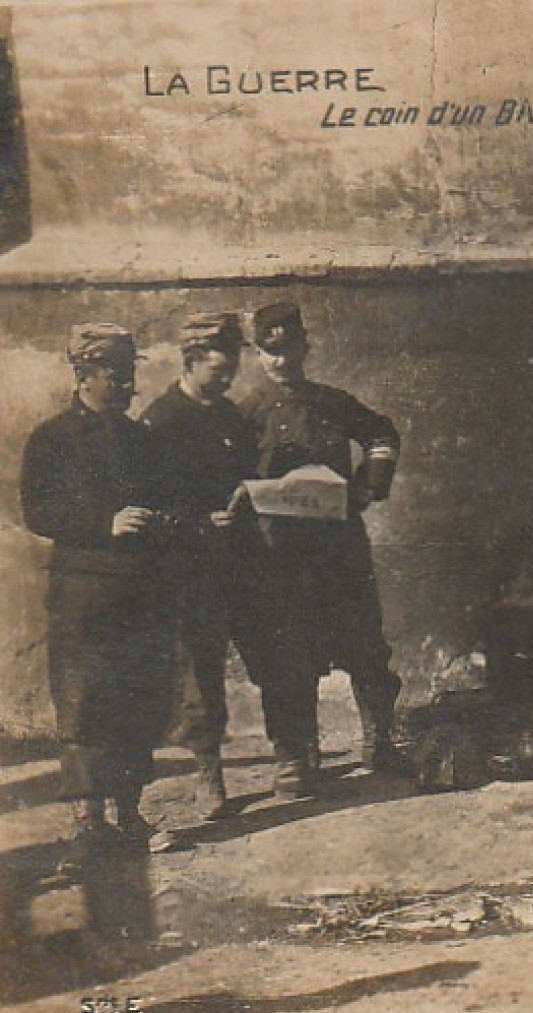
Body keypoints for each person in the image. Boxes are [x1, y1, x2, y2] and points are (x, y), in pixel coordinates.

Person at [237, 301, 405, 799]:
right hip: (278, 559)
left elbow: (382, 434)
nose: (281, 362)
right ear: (256, 354)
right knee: (287, 655)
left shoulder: (333, 403)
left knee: (365, 647)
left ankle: (379, 741)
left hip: (339, 551)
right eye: (271, 353)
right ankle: (295, 755)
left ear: (304, 347)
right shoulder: (243, 416)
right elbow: (221, 479)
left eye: (289, 350)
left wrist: (367, 488)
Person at [21, 324, 177, 855]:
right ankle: (88, 822)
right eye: (116, 375)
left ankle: (130, 813)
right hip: (83, 593)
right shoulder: (53, 438)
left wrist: (161, 521)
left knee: (135, 700)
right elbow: (37, 511)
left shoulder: (144, 440)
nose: (127, 385)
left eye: (130, 375)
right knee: (85, 703)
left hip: (139, 591)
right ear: (84, 375)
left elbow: (165, 500)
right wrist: (103, 522)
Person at [142, 312, 259, 820]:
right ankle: (209, 777)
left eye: (231, 369)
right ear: (190, 364)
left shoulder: (230, 416)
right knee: (200, 673)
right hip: (185, 569)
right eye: (217, 370)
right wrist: (195, 521)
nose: (227, 378)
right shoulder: (161, 420)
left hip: (236, 563)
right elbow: (144, 502)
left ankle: (297, 760)